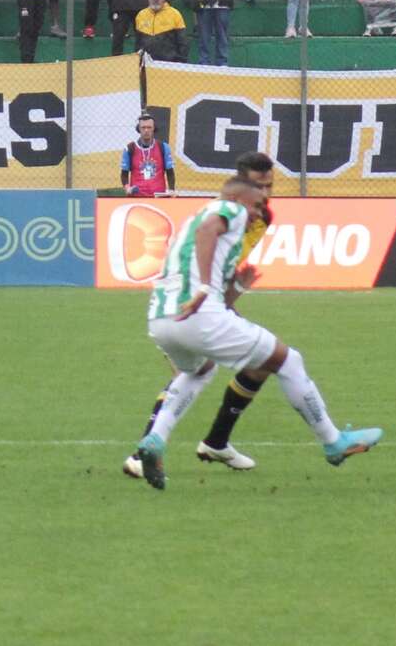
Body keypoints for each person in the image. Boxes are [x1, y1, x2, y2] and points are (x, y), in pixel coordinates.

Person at [130, 154, 381, 490]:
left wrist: (232, 287)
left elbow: (205, 252)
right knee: (287, 359)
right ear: (238, 195)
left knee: (198, 371)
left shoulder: (200, 217)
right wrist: (207, 288)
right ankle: (333, 441)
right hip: (198, 314)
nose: (260, 211)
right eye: (257, 203)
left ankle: (155, 441)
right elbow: (209, 233)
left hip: (162, 317)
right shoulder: (230, 210)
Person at [120, 114, 173, 198]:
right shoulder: (130, 148)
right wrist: (127, 188)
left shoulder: (163, 146)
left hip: (158, 197)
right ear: (138, 129)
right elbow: (124, 174)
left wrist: (171, 190)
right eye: (143, 127)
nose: (146, 130)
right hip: (137, 197)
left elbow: (170, 172)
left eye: (149, 127)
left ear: (154, 128)